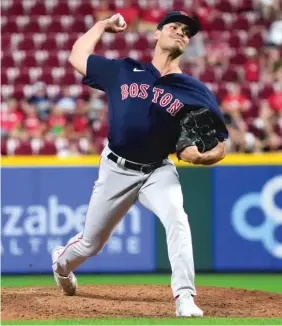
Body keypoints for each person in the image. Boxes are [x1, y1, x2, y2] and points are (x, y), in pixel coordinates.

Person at [51, 11, 228, 317]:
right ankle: (61, 266)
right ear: (156, 34)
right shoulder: (125, 70)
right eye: (174, 27)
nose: (181, 33)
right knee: (90, 244)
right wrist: (102, 25)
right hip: (116, 168)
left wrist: (205, 157)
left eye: (187, 31)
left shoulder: (194, 90)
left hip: (158, 170)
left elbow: (221, 142)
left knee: (178, 219)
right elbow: (77, 56)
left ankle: (185, 297)